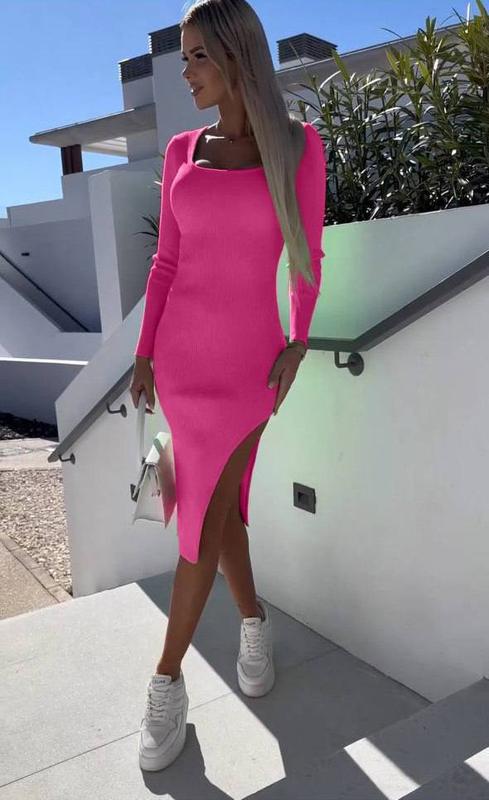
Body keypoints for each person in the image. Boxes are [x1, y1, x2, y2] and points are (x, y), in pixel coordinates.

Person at [130, 0, 326, 772]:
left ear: (236, 54)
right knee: (215, 512)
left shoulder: (297, 147)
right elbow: (166, 263)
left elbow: (306, 255)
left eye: (196, 57)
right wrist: (143, 353)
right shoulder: (183, 150)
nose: (185, 73)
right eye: (182, 57)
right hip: (180, 366)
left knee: (203, 519)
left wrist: (298, 341)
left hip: (250, 371)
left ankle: (165, 679)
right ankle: (252, 623)